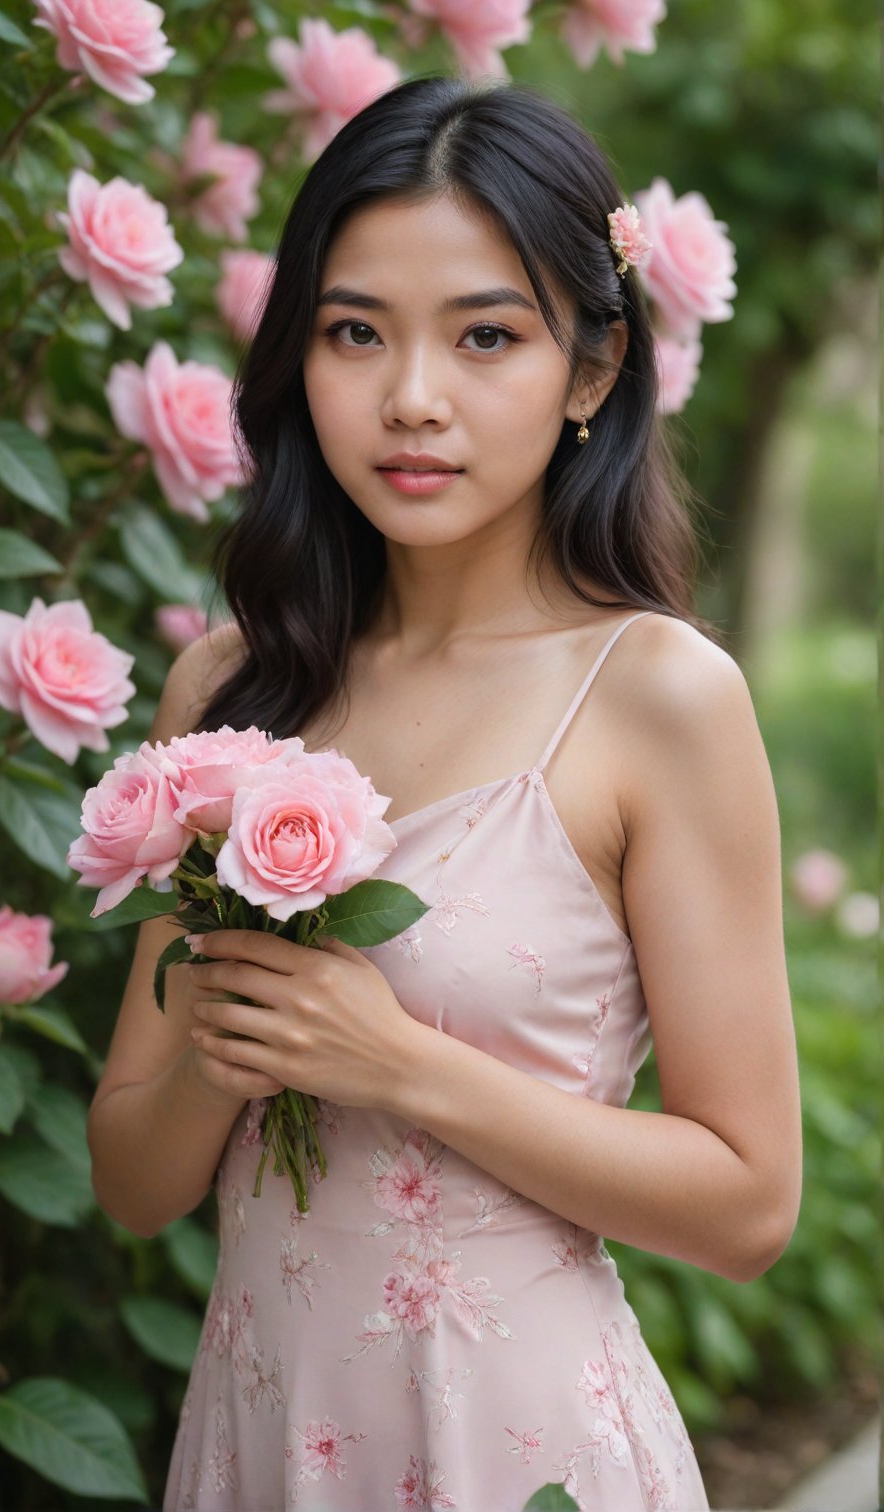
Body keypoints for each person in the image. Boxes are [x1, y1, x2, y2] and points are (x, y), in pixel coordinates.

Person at [87, 74, 802, 1512]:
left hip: (519, 1450)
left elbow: (749, 1202)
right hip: (265, 1434)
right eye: (357, 333)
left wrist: (403, 1065)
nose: (413, 400)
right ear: (301, 356)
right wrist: (238, 1041)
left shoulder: (657, 697)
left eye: (487, 337)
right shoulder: (233, 692)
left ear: (591, 372)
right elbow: (130, 1179)